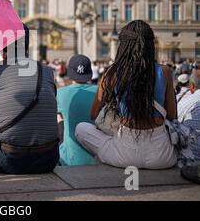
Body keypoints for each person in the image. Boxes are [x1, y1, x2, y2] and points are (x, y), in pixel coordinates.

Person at [75, 20, 177, 169]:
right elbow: (172, 115)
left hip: (124, 154)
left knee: (81, 129)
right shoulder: (165, 72)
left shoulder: (112, 73)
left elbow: (94, 114)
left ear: (123, 46)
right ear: (150, 45)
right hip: (161, 156)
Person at [0, 24, 59, 174]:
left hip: (7, 159)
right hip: (48, 159)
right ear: (27, 45)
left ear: (2, 47)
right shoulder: (47, 71)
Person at [57, 55, 97, 166]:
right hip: (98, 157)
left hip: (69, 159)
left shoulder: (60, 93)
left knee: (59, 116)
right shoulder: (100, 92)